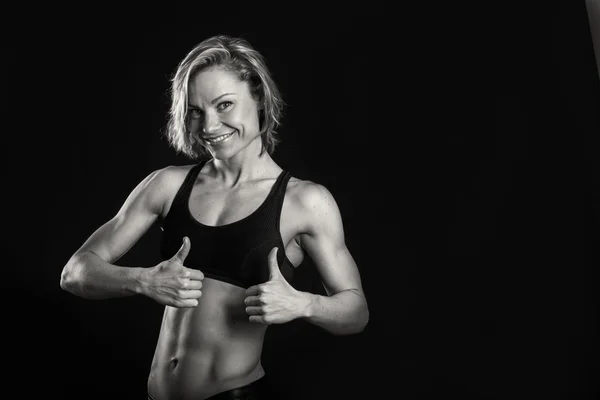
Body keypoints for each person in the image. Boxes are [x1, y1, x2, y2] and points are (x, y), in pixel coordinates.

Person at [60, 34, 369, 400]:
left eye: (224, 105)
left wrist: (304, 304)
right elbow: (76, 272)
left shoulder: (304, 201)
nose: (208, 126)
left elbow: (356, 313)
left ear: (259, 100)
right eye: (195, 110)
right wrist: (142, 280)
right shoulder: (167, 184)